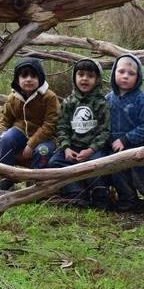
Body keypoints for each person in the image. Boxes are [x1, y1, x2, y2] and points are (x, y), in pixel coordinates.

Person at [106, 54, 144, 212]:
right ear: (114, 73)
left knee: (142, 174)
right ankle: (128, 199)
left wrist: (126, 139)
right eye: (121, 72)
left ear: (138, 77)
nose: (125, 76)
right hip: (114, 147)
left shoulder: (141, 99)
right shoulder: (107, 99)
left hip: (138, 147)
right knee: (117, 172)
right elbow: (103, 124)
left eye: (131, 73)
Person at [47, 59, 112, 208]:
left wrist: (91, 150)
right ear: (74, 77)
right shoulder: (69, 102)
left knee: (99, 163)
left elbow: (105, 131)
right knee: (54, 162)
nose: (84, 79)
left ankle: (100, 194)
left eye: (90, 76)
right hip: (72, 147)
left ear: (97, 80)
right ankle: (76, 192)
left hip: (93, 148)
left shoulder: (101, 103)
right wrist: (66, 147)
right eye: (81, 74)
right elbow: (62, 127)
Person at [0, 58, 59, 190]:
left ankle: (35, 183)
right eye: (24, 76)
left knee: (42, 151)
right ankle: (6, 176)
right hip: (20, 131)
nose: (29, 79)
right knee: (5, 139)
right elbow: (4, 119)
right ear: (17, 80)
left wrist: (31, 145)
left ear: (40, 78)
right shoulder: (13, 97)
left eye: (33, 76)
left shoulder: (49, 97)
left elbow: (50, 124)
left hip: (45, 137)